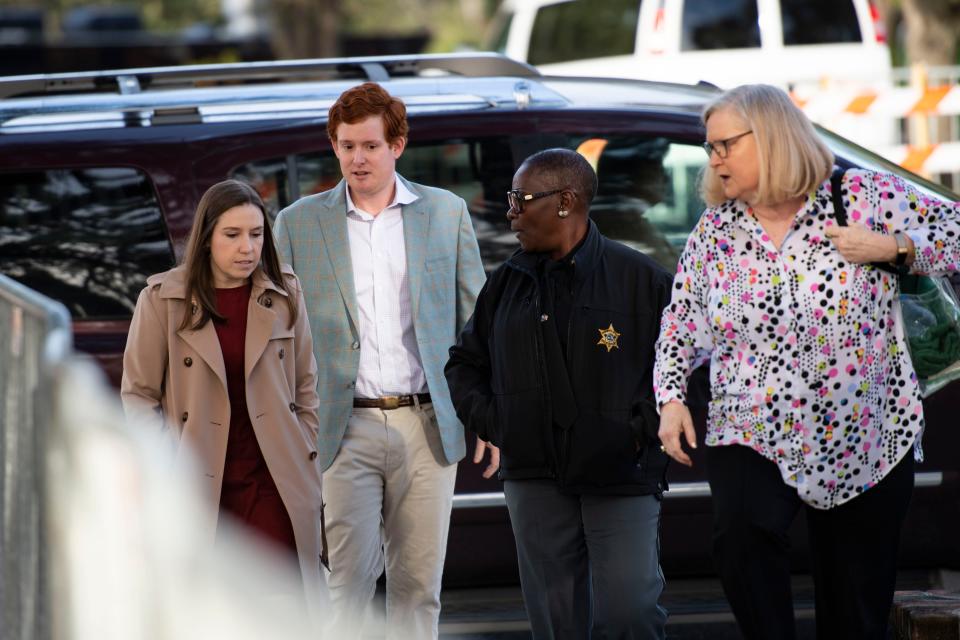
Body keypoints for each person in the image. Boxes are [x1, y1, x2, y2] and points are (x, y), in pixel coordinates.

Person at [654, 83, 960, 640]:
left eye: (725, 145)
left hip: (865, 433)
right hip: (751, 426)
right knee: (742, 538)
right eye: (709, 149)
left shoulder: (863, 197)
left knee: (852, 613)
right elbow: (681, 322)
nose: (714, 159)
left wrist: (893, 247)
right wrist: (671, 396)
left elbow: (955, 232)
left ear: (771, 138)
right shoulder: (715, 233)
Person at [273, 81, 486, 639]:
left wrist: (485, 413)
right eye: (346, 146)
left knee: (419, 588)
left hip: (427, 423)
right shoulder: (297, 223)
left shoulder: (445, 213)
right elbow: (277, 335)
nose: (356, 158)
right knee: (347, 584)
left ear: (397, 145)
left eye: (369, 145)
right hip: (344, 427)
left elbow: (476, 324)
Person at [445, 148, 672, 639]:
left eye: (519, 200)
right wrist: (501, 422)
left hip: (621, 475)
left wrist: (635, 432)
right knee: (556, 624)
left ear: (566, 200)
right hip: (535, 479)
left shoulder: (641, 280)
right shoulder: (506, 284)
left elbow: (681, 369)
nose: (510, 214)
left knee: (630, 612)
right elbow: (464, 364)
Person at [120, 179, 327, 615]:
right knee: (212, 609)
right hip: (198, 480)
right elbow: (138, 396)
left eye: (255, 234)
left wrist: (306, 443)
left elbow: (306, 384)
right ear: (207, 237)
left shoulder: (285, 292)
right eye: (232, 235)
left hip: (275, 479)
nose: (247, 247)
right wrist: (163, 461)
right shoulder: (163, 300)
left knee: (280, 605)